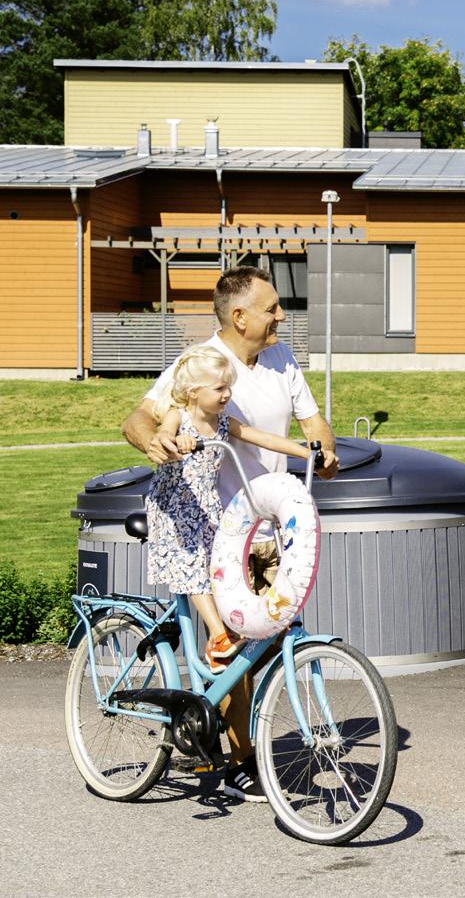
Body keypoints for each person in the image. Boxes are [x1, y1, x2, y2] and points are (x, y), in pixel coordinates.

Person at [123, 265, 339, 802]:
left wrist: (323, 448)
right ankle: (239, 755)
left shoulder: (283, 358)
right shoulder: (201, 364)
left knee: (273, 632)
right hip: (221, 528)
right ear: (239, 316)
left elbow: (312, 423)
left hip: (273, 523)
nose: (282, 316)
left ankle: (240, 740)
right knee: (240, 640)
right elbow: (141, 418)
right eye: (272, 308)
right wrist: (155, 443)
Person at [146, 344, 313, 672]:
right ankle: (218, 637)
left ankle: (231, 627)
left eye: (229, 387)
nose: (227, 394)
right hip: (174, 508)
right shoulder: (178, 416)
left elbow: (259, 437)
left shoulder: (223, 422)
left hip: (207, 505)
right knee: (193, 566)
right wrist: (175, 440)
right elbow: (165, 432)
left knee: (222, 564)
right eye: (220, 388)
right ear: (193, 392)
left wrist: (306, 453)